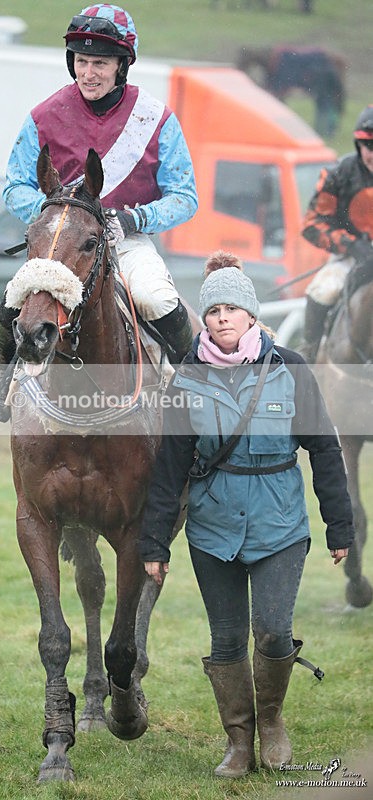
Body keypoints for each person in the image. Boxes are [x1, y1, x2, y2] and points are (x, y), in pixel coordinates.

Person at [139, 251, 354, 778]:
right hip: (213, 531)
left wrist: (339, 526)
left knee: (275, 632)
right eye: (214, 311)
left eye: (233, 309)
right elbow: (169, 466)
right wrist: (155, 544)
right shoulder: (186, 378)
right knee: (227, 640)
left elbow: (324, 449)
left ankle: (272, 722)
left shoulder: (291, 369)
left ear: (252, 315)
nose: (223, 319)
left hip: (280, 525)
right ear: (205, 319)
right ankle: (238, 740)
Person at [0, 4, 198, 421]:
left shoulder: (155, 119)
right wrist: (57, 214)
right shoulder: (44, 116)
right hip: (62, 243)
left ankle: (197, 394)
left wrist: (136, 219)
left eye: (100, 63)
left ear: (122, 66)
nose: (89, 73)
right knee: (13, 300)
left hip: (127, 239)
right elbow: (14, 186)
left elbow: (185, 197)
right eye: (82, 61)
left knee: (156, 298)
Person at [300, 104, 373, 363]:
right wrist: (351, 245)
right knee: (323, 290)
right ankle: (307, 358)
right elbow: (311, 224)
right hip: (350, 257)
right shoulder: (338, 174)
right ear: (359, 145)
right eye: (369, 147)